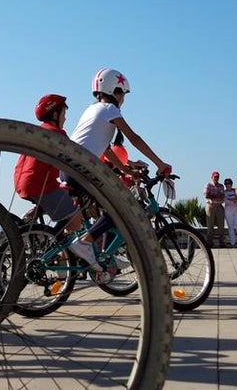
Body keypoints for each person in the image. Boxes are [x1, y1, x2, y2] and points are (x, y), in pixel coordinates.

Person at [67, 68, 172, 278]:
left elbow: (105, 148)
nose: (123, 99)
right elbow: (134, 137)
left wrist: (126, 170)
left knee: (112, 208)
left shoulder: (92, 110)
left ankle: (101, 261)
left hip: (72, 167)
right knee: (123, 208)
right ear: (114, 90)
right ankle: (85, 242)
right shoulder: (109, 110)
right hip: (81, 169)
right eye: (123, 93)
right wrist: (160, 163)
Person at [13, 94, 102, 275]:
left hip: (24, 182)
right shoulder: (56, 134)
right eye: (63, 112)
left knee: (64, 216)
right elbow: (75, 159)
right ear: (55, 114)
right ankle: (58, 255)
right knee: (75, 220)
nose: (65, 117)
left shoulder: (40, 130)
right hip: (40, 184)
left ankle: (59, 255)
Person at [204, 171, 227, 248]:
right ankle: (209, 242)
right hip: (210, 206)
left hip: (219, 206)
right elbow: (206, 195)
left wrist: (212, 195)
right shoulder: (208, 185)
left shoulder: (221, 186)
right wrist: (215, 196)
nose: (216, 178)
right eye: (215, 177)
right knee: (210, 225)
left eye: (217, 177)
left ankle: (222, 242)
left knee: (221, 225)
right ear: (212, 177)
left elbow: (222, 196)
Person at [223, 177, 237, 247]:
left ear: (231, 184)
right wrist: (233, 199)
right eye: (226, 184)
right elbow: (225, 200)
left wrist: (234, 199)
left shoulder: (235, 190)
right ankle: (233, 243)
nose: (227, 185)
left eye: (228, 183)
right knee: (230, 227)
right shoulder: (224, 192)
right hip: (228, 211)